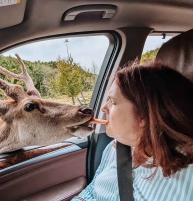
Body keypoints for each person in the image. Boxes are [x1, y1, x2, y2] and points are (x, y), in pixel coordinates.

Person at [72, 62, 193, 201]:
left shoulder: (188, 180)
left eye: (113, 101)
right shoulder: (115, 147)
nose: (103, 108)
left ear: (145, 116)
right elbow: (91, 191)